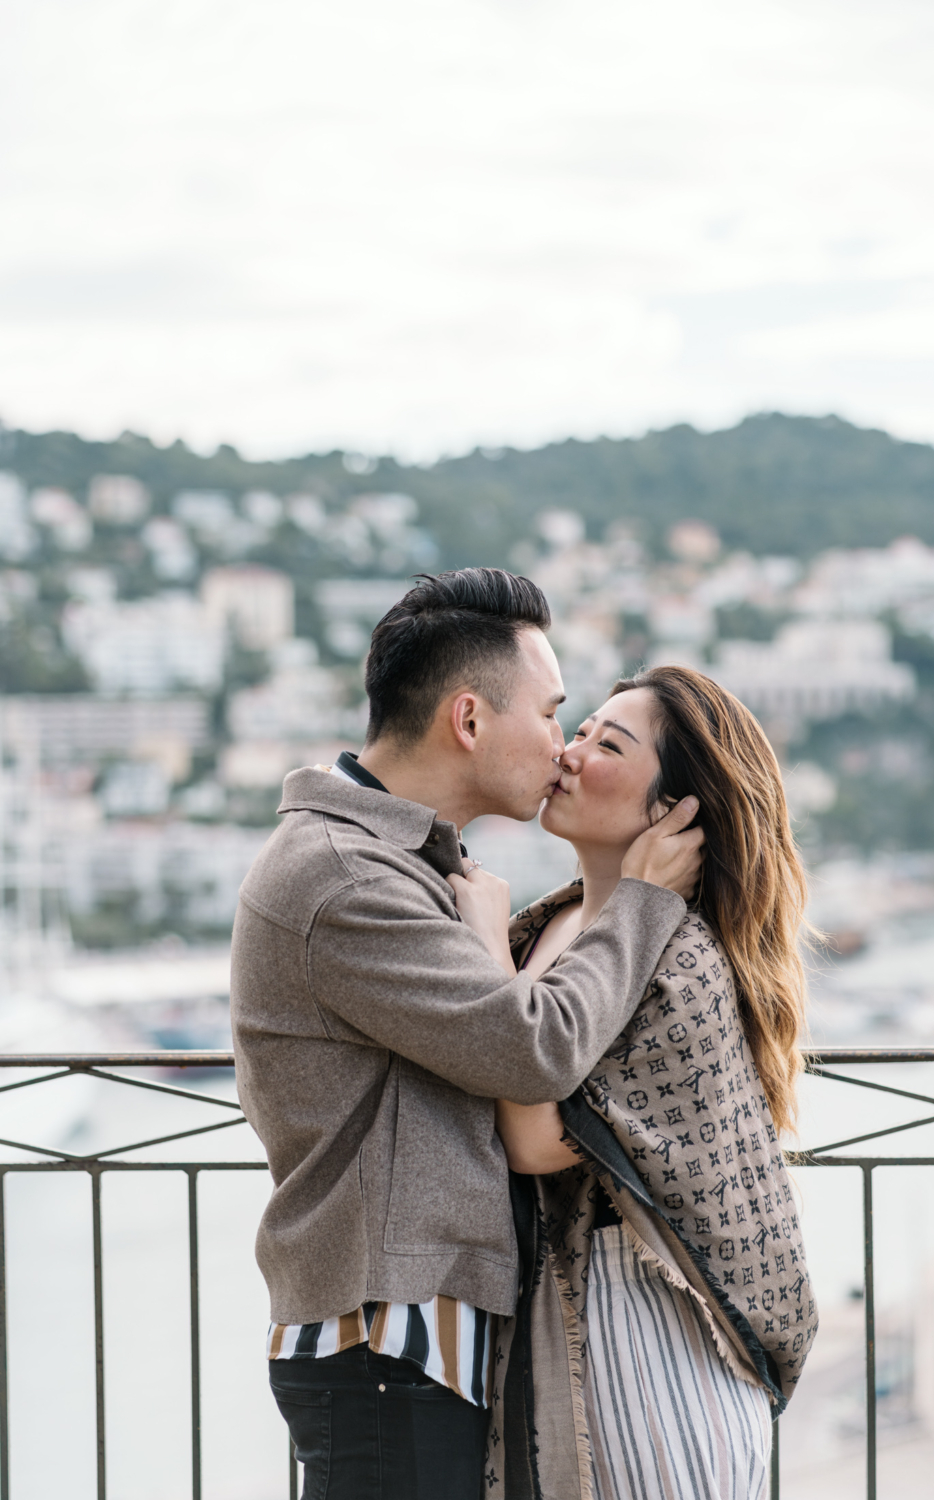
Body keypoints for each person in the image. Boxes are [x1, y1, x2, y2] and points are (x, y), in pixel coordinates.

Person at [230, 570, 705, 1500]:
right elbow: (533, 1048)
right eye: (550, 712)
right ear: (470, 720)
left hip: (408, 1344)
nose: (563, 745)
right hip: (385, 1344)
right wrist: (643, 905)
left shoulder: (388, 861)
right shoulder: (345, 879)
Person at [462, 664, 817, 1500]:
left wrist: (480, 953)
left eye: (608, 743)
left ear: (673, 812)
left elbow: (538, 1141)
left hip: (651, 1330)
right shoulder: (551, 927)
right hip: (569, 1315)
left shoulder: (677, 954)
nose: (571, 752)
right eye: (578, 728)